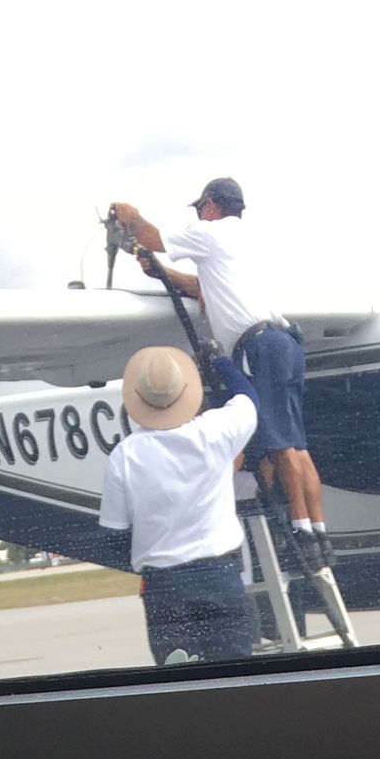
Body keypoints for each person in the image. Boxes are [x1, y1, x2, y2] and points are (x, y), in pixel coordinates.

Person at [109, 179, 331, 570]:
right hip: (285, 344)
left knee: (279, 446)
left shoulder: (210, 232)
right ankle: (318, 534)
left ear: (211, 206)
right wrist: (161, 272)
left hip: (258, 346)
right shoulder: (244, 243)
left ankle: (299, 533)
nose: (197, 216)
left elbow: (149, 235)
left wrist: (127, 215)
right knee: (297, 445)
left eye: (199, 208)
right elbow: (202, 290)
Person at [99, 344, 259, 667]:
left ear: (139, 400)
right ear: (186, 393)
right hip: (220, 574)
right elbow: (248, 398)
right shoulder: (215, 431)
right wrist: (221, 362)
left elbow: (114, 536)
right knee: (237, 682)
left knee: (179, 686)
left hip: (166, 586)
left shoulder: (124, 457)